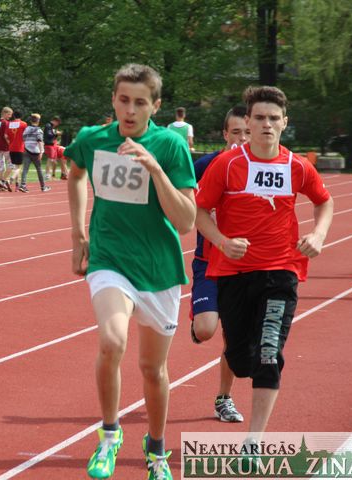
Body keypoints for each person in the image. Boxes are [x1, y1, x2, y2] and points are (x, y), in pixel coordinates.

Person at [66, 63, 196, 479]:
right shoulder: (93, 139)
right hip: (110, 259)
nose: (130, 110)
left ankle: (155, 450)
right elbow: (75, 174)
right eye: (123, 100)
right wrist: (78, 232)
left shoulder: (170, 145)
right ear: (113, 99)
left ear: (155, 106)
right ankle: (109, 434)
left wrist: (154, 168)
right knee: (112, 341)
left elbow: (186, 220)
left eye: (140, 102)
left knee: (152, 370)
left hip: (158, 267)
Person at [195, 86, 333, 447]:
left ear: (285, 122)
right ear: (248, 122)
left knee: (269, 354)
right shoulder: (227, 165)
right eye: (259, 118)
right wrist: (222, 241)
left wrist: (318, 234)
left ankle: (253, 441)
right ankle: (239, 372)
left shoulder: (297, 166)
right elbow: (199, 210)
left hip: (281, 271)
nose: (266, 124)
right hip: (234, 272)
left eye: (274, 118)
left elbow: (324, 201)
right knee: (242, 360)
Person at [189, 106, 250, 423]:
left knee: (234, 337)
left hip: (243, 266)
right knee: (205, 330)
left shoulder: (261, 169)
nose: (242, 139)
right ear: (225, 134)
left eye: (247, 133)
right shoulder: (204, 165)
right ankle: (197, 320)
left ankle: (224, 399)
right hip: (208, 262)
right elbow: (182, 196)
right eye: (236, 132)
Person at [19, 114, 50, 193]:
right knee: (39, 169)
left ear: (30, 120)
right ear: (38, 121)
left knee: (25, 169)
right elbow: (40, 141)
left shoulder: (26, 129)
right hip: (36, 152)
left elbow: (23, 138)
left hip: (26, 150)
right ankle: (43, 187)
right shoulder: (39, 130)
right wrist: (41, 152)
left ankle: (23, 185)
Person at [6, 111, 27, 191]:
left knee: (15, 166)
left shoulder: (9, 124)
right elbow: (26, 135)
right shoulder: (23, 124)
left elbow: (6, 136)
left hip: (11, 148)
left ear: (14, 116)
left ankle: (17, 185)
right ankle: (11, 179)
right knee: (18, 167)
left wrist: (10, 143)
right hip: (20, 147)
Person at [0, 106, 14, 192]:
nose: (10, 116)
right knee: (11, 165)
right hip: (5, 147)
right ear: (4, 113)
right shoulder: (6, 123)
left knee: (1, 166)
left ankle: (0, 186)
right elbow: (7, 136)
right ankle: (3, 181)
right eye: (9, 114)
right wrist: (11, 144)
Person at [43, 115, 67, 180]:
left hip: (52, 145)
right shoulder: (48, 125)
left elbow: (52, 136)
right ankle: (47, 174)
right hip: (49, 145)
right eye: (57, 123)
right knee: (50, 159)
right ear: (55, 121)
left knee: (53, 161)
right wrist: (56, 133)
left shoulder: (51, 126)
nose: (57, 125)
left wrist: (56, 134)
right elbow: (49, 135)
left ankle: (52, 175)